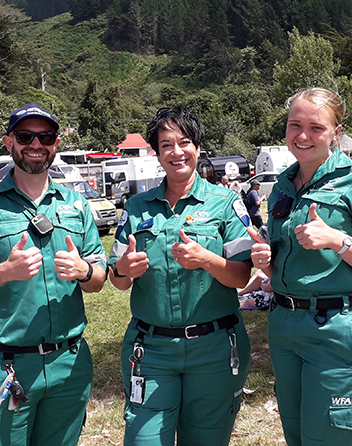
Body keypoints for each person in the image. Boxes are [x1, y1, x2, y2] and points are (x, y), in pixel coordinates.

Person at [248, 87, 352, 446]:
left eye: (316, 127)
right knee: (298, 437)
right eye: (295, 125)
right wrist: (268, 264)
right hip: (285, 327)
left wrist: (339, 240)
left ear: (336, 133)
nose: (303, 136)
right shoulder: (283, 185)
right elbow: (298, 266)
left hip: (340, 330)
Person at [0, 103, 107, 446]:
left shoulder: (76, 204)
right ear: (9, 142)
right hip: (7, 366)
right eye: (25, 136)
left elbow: (99, 278)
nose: (36, 144)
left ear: (56, 143)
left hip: (69, 364)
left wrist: (83, 270)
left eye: (45, 136)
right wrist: (5, 271)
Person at [108, 105, 253, 445]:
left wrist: (207, 260)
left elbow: (241, 277)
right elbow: (118, 278)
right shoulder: (136, 207)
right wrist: (123, 270)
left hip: (215, 349)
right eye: (166, 145)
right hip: (151, 350)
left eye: (184, 142)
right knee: (144, 438)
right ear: (156, 153)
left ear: (198, 147)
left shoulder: (225, 202)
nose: (177, 152)